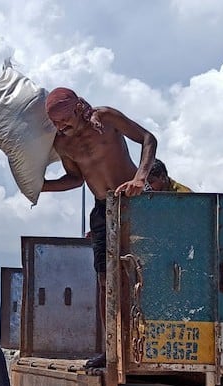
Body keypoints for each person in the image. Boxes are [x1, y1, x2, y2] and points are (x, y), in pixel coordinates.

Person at [41, 87, 157, 368]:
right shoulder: (63, 144)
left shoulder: (105, 118)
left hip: (136, 203)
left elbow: (148, 139)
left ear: (79, 108)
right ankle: (111, 350)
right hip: (103, 210)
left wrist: (141, 178)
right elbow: (74, 179)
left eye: (65, 120)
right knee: (106, 281)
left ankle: (153, 343)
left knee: (148, 275)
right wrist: (42, 187)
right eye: (55, 123)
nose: (61, 126)